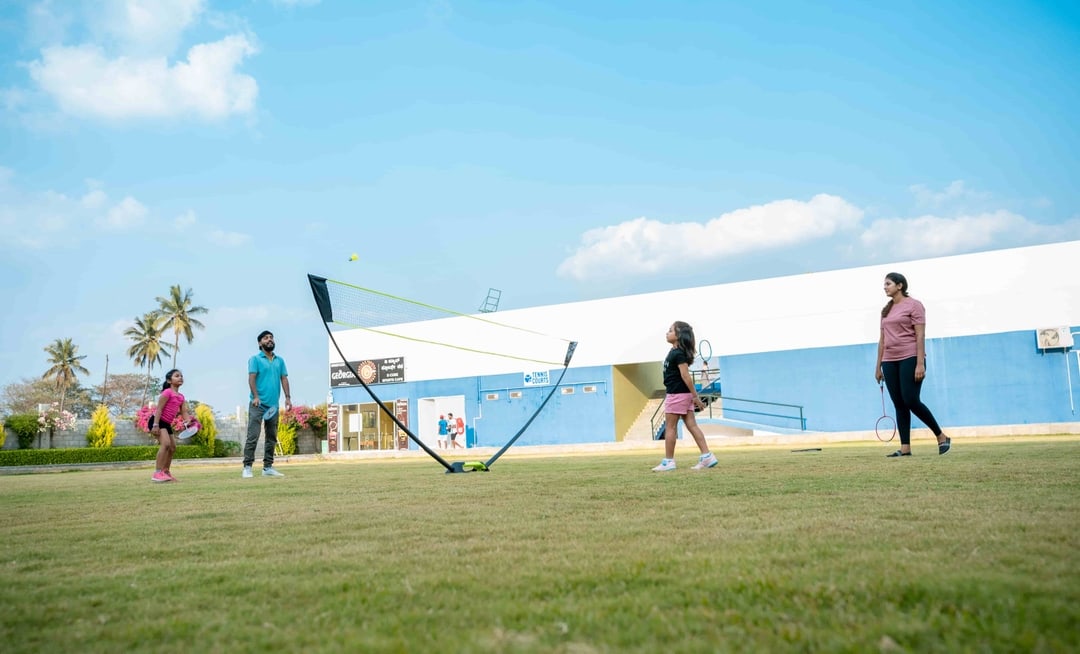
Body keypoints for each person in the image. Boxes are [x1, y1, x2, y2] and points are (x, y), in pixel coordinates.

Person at [875, 272, 951, 457]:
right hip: (889, 360)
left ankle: (941, 436)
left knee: (910, 399)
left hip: (910, 357)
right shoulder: (886, 310)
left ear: (900, 285)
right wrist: (878, 367)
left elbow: (920, 335)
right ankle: (905, 448)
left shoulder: (914, 305)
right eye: (884, 284)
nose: (885, 287)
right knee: (899, 404)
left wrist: (920, 363)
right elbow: (882, 340)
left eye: (888, 284)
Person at [653, 321, 718, 471]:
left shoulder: (678, 353)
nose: (667, 333)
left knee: (670, 428)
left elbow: (686, 376)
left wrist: (695, 396)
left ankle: (668, 461)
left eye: (670, 330)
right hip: (682, 394)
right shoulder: (675, 352)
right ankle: (707, 456)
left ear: (679, 335)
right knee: (692, 425)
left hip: (676, 394)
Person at [243, 330, 292, 478]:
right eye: (266, 338)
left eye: (271, 337)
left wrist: (288, 398)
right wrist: (256, 397)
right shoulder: (255, 359)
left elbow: (284, 379)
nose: (269, 340)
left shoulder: (280, 360)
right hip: (258, 405)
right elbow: (251, 378)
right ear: (260, 343)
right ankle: (247, 467)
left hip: (273, 406)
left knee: (271, 437)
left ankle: (268, 468)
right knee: (253, 436)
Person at [150, 369, 190, 483]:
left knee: (172, 448)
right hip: (157, 421)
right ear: (169, 380)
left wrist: (188, 421)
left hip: (166, 423)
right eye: (177, 376)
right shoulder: (167, 392)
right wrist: (155, 425)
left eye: (181, 376)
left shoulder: (181, 397)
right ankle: (157, 473)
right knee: (166, 444)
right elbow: (159, 409)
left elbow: (184, 412)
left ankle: (165, 472)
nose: (180, 377)